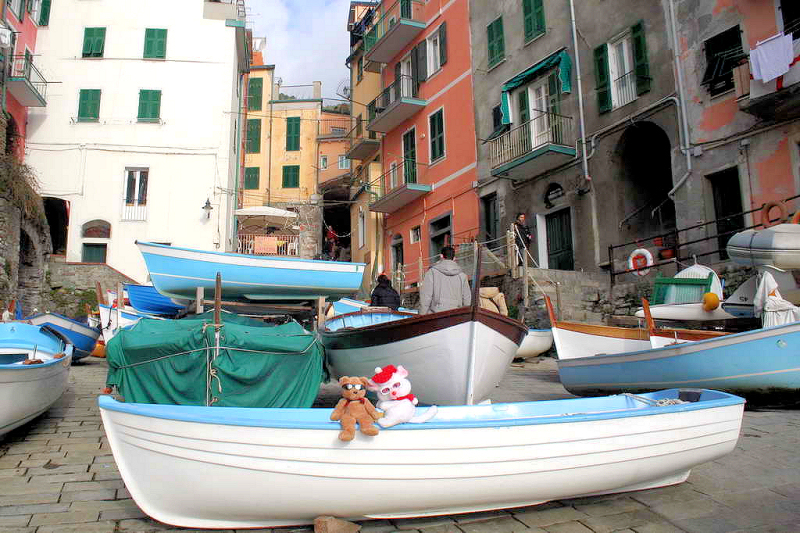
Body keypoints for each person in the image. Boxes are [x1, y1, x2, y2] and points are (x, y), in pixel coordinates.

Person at [419, 245, 471, 314]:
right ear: (454, 258)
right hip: (456, 316)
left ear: (441, 256)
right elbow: (467, 301)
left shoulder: (431, 273)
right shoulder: (463, 276)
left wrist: (421, 316)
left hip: (436, 316)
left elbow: (425, 297)